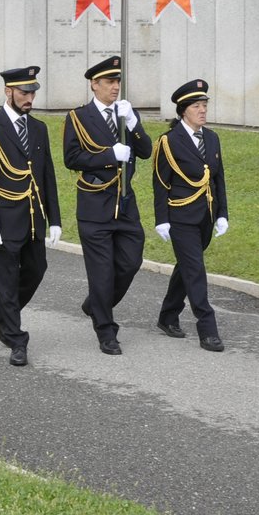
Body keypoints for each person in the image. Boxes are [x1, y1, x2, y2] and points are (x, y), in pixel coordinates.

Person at [61, 56, 153, 355]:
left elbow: (146, 151)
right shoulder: (78, 117)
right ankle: (106, 330)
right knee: (101, 272)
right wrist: (109, 154)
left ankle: (95, 304)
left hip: (125, 204)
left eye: (118, 82)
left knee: (130, 261)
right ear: (94, 84)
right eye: (109, 82)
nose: (115, 87)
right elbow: (72, 158)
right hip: (95, 205)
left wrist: (134, 124)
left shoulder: (127, 113)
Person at [0, 66, 62, 367]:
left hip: (34, 218)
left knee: (37, 270)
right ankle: (16, 338)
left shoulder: (38, 129)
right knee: (8, 281)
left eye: (33, 92)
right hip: (5, 220)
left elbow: (46, 175)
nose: (30, 98)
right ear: (8, 91)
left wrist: (56, 219)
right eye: (24, 92)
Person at [151, 79, 229, 352]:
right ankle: (208, 329)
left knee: (186, 267)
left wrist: (222, 214)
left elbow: (218, 179)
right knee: (195, 270)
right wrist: (161, 218)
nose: (203, 110)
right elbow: (160, 182)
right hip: (181, 215)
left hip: (206, 215)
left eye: (205, 105)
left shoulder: (212, 137)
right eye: (197, 106)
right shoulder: (169, 141)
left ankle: (167, 316)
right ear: (184, 110)